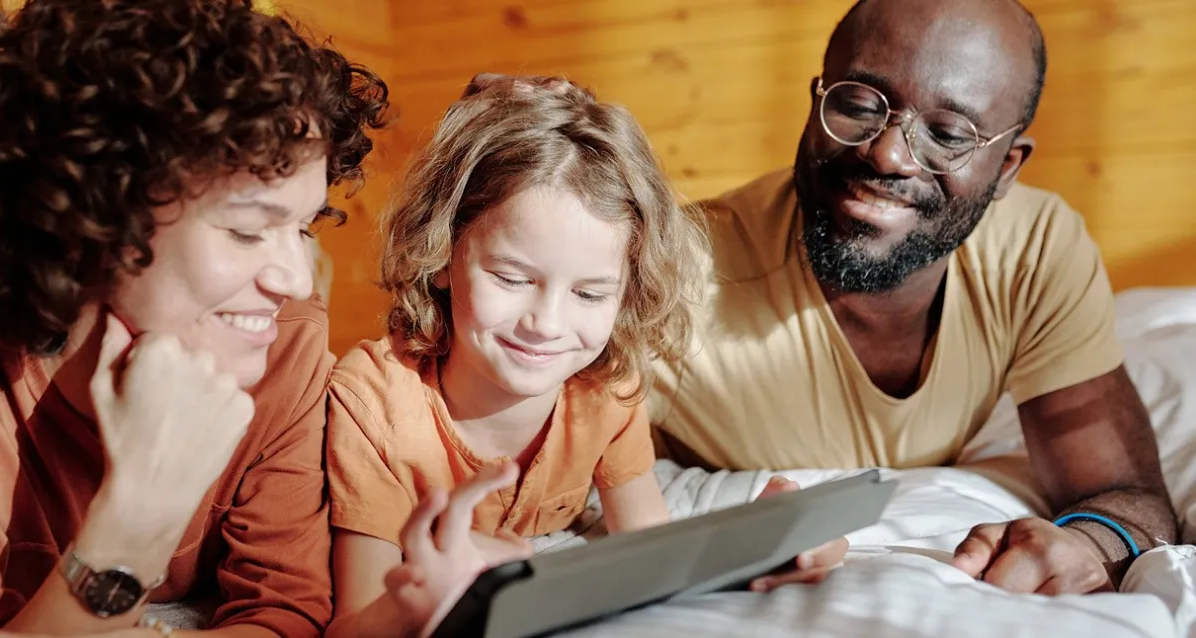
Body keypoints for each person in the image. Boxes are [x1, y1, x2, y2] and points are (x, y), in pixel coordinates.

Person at [0, 0, 388, 635]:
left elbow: (283, 613)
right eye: (249, 231)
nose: (296, 280)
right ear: (84, 221)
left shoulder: (284, 341)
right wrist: (139, 514)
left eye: (303, 226)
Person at [648, 0, 1178, 596]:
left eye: (948, 134)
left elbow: (1129, 500)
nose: (887, 154)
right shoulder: (676, 272)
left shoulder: (1033, 250)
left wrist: (1088, 542)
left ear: (1006, 168)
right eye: (855, 104)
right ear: (815, 102)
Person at [321, 75, 847, 637]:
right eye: (511, 277)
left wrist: (760, 550)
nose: (546, 324)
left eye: (590, 294)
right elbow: (354, 624)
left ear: (626, 292)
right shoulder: (371, 407)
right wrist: (426, 601)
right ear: (443, 255)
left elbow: (648, 549)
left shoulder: (605, 390)